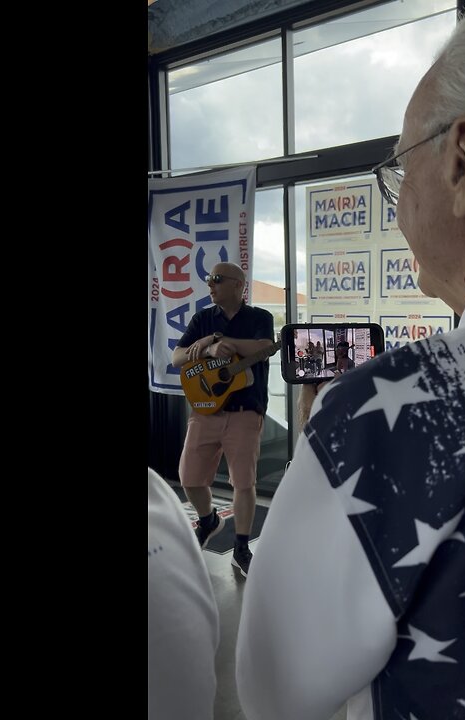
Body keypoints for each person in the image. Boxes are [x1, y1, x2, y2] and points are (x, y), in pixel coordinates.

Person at [236, 1, 465, 718]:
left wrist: (339, 444)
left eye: (400, 169)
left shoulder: (397, 416)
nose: (397, 205)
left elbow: (272, 694)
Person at [170, 261, 275, 577]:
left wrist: (223, 343)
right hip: (204, 410)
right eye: (208, 279)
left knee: (244, 482)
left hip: (245, 412)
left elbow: (266, 347)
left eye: (216, 279)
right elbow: (177, 357)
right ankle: (208, 520)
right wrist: (207, 347)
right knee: (189, 478)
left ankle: (241, 547)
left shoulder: (260, 318)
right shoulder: (203, 318)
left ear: (238, 285)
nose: (210, 285)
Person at [147, 468, 217, 719]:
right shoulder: (159, 499)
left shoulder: (158, 501)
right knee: (190, 472)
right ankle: (210, 520)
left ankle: (239, 544)